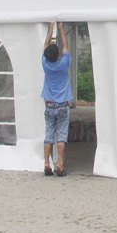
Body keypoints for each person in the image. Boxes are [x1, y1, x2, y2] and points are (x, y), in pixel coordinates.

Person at [41, 21, 73, 176]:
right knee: (62, 136)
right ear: (58, 54)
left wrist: (50, 28)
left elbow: (45, 44)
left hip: (49, 105)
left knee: (48, 136)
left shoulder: (46, 64)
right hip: (62, 106)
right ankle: (60, 164)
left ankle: (47, 164)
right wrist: (61, 28)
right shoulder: (64, 63)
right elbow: (66, 45)